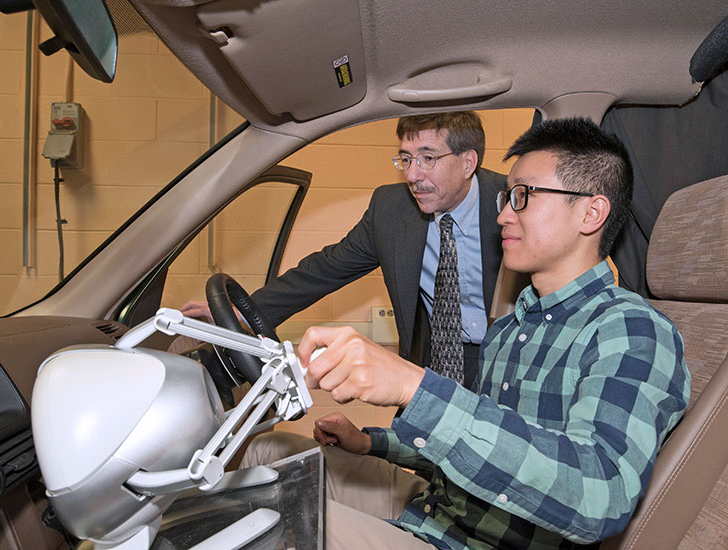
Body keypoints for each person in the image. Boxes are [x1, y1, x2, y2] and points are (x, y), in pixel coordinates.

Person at [240, 117, 691, 550]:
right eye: (507, 198)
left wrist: (413, 386)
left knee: (259, 522)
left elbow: (598, 495)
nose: (502, 217)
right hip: (438, 508)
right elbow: (481, 442)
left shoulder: (631, 331)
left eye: (523, 197)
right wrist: (373, 442)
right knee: (267, 452)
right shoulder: (511, 327)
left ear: (591, 212)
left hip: (476, 538)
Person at [182, 111, 506, 387]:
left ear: (468, 162)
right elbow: (324, 270)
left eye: (428, 158)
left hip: (509, 361)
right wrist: (244, 311)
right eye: (406, 159)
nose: (412, 174)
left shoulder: (512, 202)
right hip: (432, 365)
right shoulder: (391, 209)